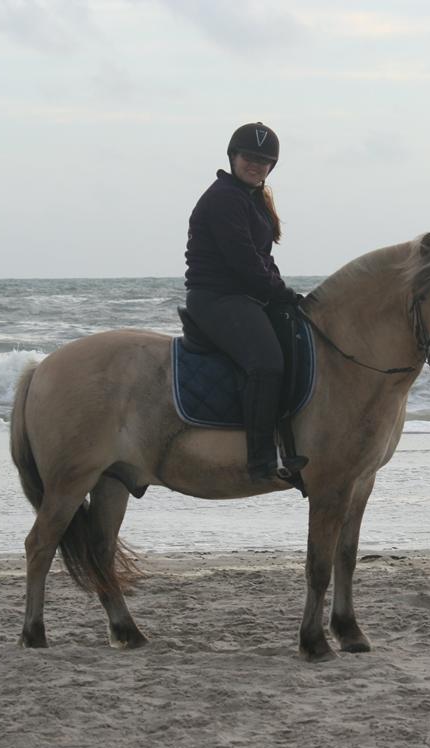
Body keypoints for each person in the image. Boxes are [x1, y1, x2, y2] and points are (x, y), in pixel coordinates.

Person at [184, 121, 308, 482]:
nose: (255, 164)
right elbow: (243, 261)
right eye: (249, 157)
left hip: (244, 296)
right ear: (233, 157)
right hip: (217, 298)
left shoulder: (251, 199)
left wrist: (282, 293)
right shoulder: (225, 197)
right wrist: (278, 292)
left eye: (264, 160)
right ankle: (260, 460)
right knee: (267, 363)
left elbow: (263, 261)